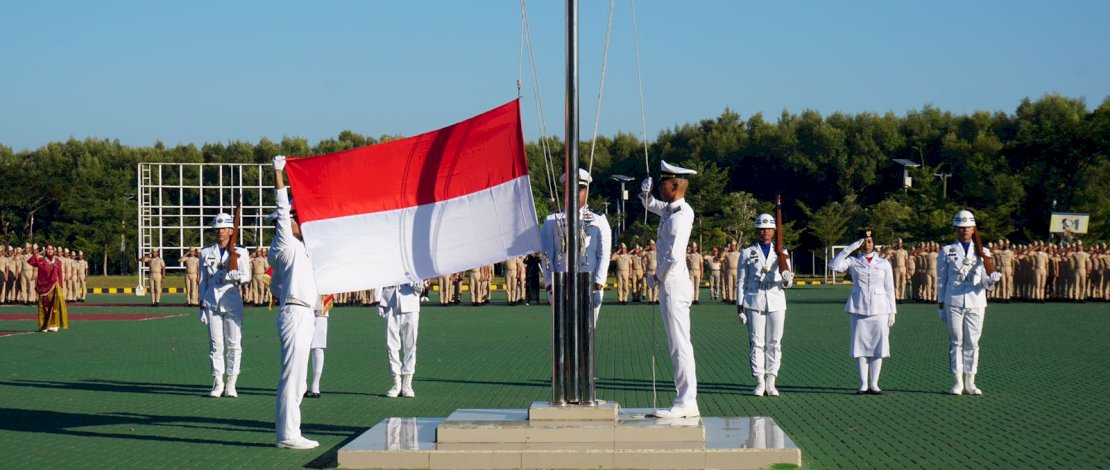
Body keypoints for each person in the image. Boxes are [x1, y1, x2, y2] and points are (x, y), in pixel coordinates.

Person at [268, 155, 321, 449]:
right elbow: (280, 205)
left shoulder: (299, 248)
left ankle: (291, 430)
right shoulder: (285, 242)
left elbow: (277, 285)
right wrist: (279, 173)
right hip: (295, 313)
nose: (302, 222)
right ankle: (288, 435)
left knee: (299, 378)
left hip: (303, 313)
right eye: (297, 217)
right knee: (293, 376)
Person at [641, 160, 698, 418]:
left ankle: (687, 401)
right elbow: (653, 206)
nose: (661, 186)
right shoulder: (671, 211)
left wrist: (657, 278)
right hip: (671, 283)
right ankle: (684, 398)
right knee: (676, 343)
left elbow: (674, 255)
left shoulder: (682, 215)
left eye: (663, 182)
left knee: (680, 344)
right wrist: (645, 194)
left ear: (675, 185)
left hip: (673, 283)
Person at [937, 210, 1001, 396]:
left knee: (972, 342)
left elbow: (984, 281)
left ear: (974, 229)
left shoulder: (983, 252)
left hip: (976, 301)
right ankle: (957, 382)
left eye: (968, 228)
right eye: (961, 228)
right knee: (956, 341)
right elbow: (942, 281)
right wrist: (940, 306)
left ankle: (970, 381)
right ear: (956, 228)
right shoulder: (946, 251)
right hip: (953, 301)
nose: (964, 231)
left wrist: (992, 280)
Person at [539, 168, 612, 323]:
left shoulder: (599, 220)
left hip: (590, 283)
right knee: (564, 333)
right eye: (571, 189)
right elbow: (546, 256)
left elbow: (604, 254)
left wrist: (599, 283)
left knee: (587, 332)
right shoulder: (552, 220)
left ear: (587, 192)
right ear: (565, 191)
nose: (576, 193)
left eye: (581, 189)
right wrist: (550, 284)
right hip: (562, 283)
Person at [829, 230, 897, 395]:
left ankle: (874, 383)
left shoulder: (883, 263)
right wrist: (848, 249)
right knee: (860, 346)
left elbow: (889, 288)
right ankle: (863, 383)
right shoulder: (853, 261)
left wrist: (892, 311)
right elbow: (833, 266)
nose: (868, 244)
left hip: (880, 309)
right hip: (859, 308)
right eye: (865, 241)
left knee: (878, 346)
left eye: (870, 241)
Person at [736, 213, 795, 397]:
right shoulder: (747, 252)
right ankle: (759, 381)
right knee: (756, 342)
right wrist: (740, 306)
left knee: (775, 342)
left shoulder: (782, 253)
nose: (765, 232)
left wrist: (787, 279)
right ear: (757, 231)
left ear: (774, 231)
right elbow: (740, 282)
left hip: (776, 299)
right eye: (761, 229)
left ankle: (771, 380)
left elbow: (788, 283)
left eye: (768, 229)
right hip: (755, 299)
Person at [199, 213, 251, 398]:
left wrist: (239, 277)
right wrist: (201, 306)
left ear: (231, 230)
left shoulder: (240, 252)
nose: (220, 232)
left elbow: (248, 276)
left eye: (224, 228)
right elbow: (202, 281)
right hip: (212, 301)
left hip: (232, 300)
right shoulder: (206, 252)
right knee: (216, 345)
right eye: (218, 228)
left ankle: (231, 382)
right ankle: (218, 381)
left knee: (234, 344)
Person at [380, 281, 425, 398]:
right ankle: (396, 382)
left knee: (411, 345)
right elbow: (378, 273)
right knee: (391, 344)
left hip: (410, 298)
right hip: (390, 300)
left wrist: (419, 284)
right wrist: (378, 301)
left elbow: (421, 278)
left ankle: (407, 383)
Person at [27, 243, 68, 332]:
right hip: (42, 286)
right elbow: (30, 261)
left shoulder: (57, 261)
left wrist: (61, 285)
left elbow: (60, 274)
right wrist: (39, 253)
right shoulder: (40, 260)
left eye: (51, 249)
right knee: (43, 306)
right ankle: (43, 325)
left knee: (54, 306)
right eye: (48, 249)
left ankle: (53, 325)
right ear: (45, 250)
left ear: (54, 250)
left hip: (53, 285)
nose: (50, 251)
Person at [305, 295, 332, 399]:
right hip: (304, 304)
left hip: (322, 300)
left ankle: (316, 385)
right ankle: (302, 384)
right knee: (302, 348)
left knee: (318, 346)